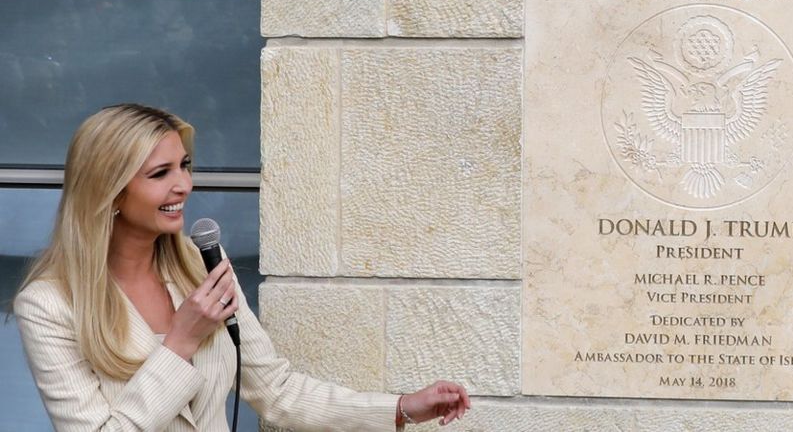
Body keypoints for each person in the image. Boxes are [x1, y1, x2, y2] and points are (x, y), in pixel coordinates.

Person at [14, 103, 471, 431]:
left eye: (185, 166)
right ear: (108, 191)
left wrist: (403, 408)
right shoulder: (48, 305)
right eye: (160, 174)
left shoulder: (200, 268)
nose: (184, 186)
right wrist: (179, 343)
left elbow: (276, 391)